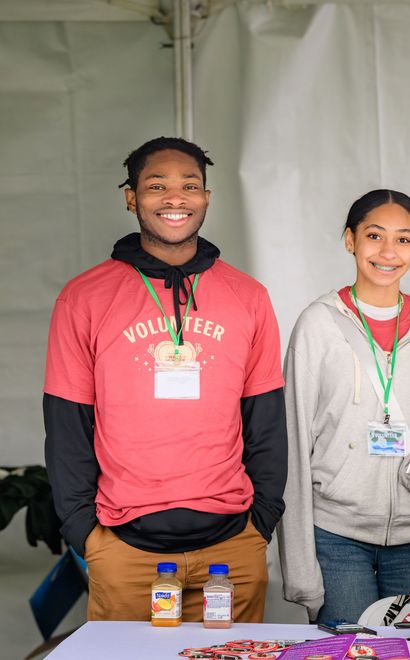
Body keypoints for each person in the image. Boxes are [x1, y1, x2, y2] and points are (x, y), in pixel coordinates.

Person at [43, 137, 285, 621]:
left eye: (189, 186)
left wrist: (262, 521)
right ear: (131, 197)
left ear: (206, 198)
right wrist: (83, 531)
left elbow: (266, 421)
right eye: (157, 186)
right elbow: (67, 424)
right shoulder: (84, 298)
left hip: (232, 548)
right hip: (124, 548)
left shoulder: (249, 296)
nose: (175, 199)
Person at [278, 189, 410, 623]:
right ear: (350, 240)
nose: (388, 251)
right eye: (374, 235)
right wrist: (301, 570)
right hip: (337, 535)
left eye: (403, 239)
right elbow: (291, 443)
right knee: (348, 652)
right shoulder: (317, 325)